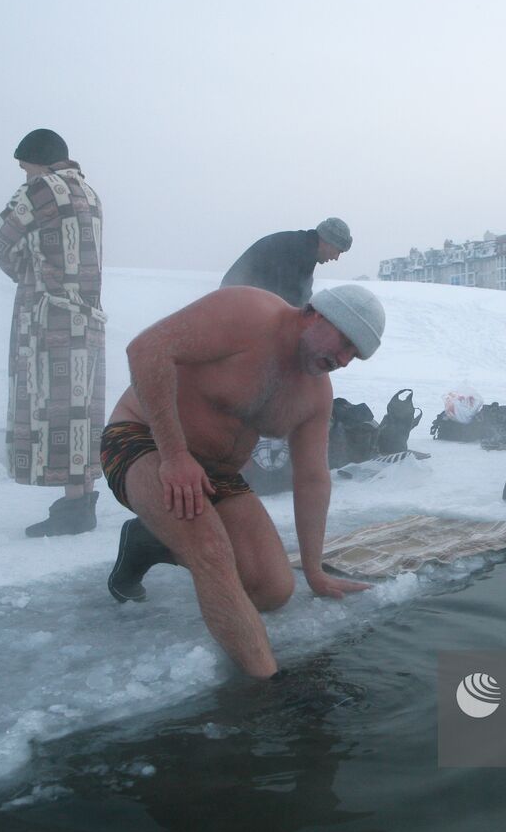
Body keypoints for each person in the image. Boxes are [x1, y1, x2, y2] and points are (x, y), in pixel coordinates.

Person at [101, 284, 385, 677]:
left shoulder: (315, 394)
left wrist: (314, 570)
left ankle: (148, 542)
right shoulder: (248, 312)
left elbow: (312, 479)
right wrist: (175, 455)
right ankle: (267, 691)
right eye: (345, 342)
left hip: (217, 473)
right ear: (317, 314)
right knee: (212, 551)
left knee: (273, 589)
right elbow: (147, 349)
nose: (344, 359)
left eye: (355, 354)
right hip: (144, 441)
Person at [0, 129, 107, 536]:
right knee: (80, 410)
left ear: (38, 162)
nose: (24, 176)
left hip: (49, 317)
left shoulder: (40, 190)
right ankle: (81, 501)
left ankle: (74, 512)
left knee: (53, 408)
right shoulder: (89, 193)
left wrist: (27, 273)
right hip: (87, 317)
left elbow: (2, 238)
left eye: (25, 167)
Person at [219, 217, 351, 306]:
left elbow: (300, 297)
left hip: (243, 302)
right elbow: (288, 301)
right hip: (233, 304)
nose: (336, 258)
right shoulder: (296, 251)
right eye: (338, 251)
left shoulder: (304, 248)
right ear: (327, 242)